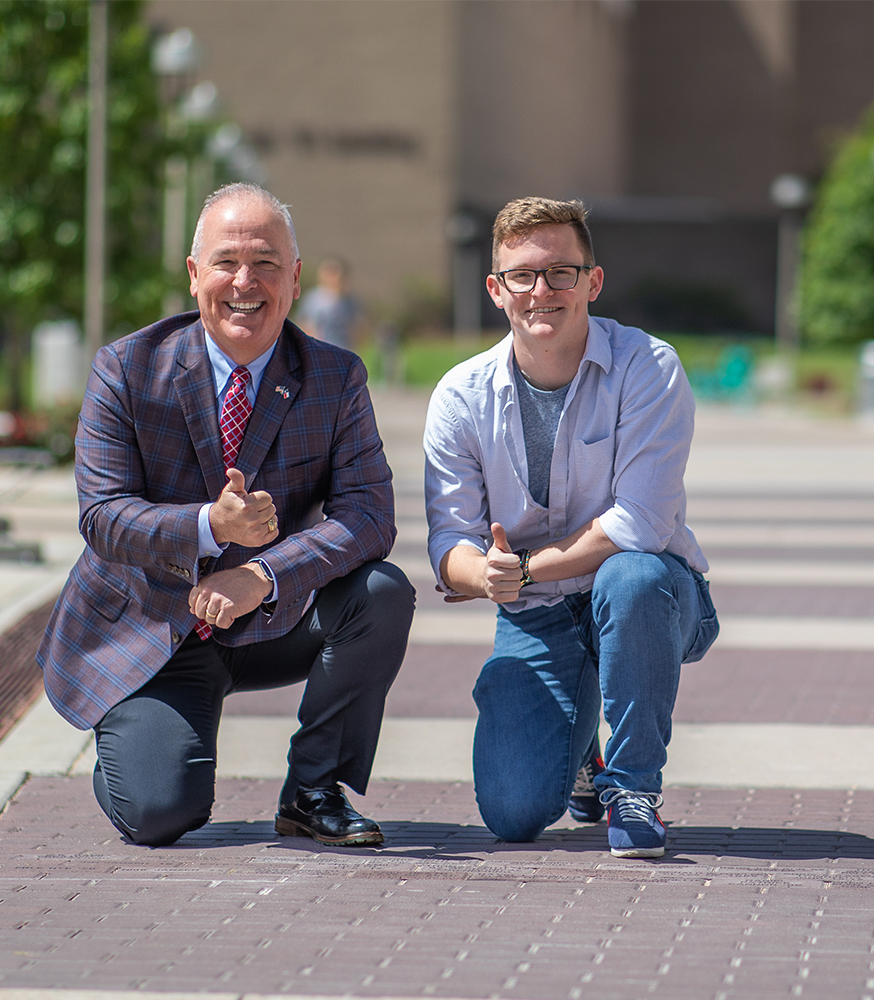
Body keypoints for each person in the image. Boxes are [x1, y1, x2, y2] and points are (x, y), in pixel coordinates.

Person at [38, 183, 414, 849]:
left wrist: (263, 574)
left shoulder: (335, 377)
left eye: (267, 263)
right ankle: (135, 744)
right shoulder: (125, 370)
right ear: (193, 275)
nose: (246, 282)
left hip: (272, 620)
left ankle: (313, 790)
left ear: (295, 280)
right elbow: (102, 517)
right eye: (226, 262)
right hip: (155, 629)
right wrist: (212, 526)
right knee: (159, 813)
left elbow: (368, 517)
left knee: (382, 593)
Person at [423, 197, 718, 858]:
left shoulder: (648, 367)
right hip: (536, 614)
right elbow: (451, 541)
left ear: (593, 281)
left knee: (632, 576)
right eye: (523, 276)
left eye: (561, 272)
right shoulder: (460, 397)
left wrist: (523, 567)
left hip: (658, 601)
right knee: (514, 813)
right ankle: (581, 749)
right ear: (496, 290)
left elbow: (639, 524)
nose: (542, 291)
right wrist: (486, 574)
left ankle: (634, 786)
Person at [295, 257, 362, 350]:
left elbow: (359, 329)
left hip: (343, 350)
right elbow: (304, 324)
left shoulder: (350, 302)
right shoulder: (313, 299)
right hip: (318, 350)